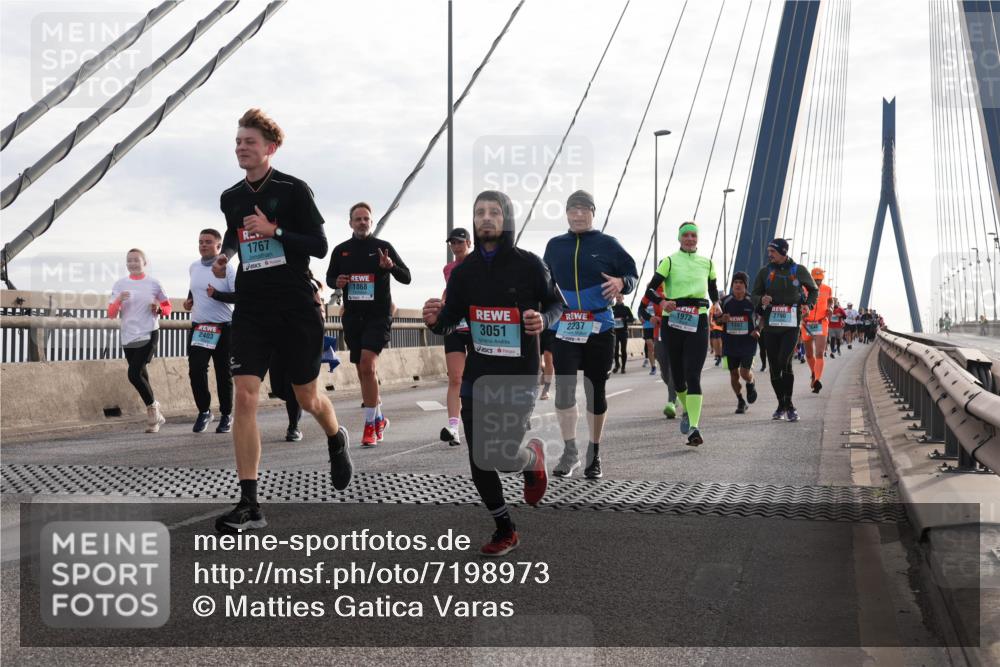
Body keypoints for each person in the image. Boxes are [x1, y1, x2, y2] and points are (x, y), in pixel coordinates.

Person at [213, 108, 350, 533]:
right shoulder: (231, 196)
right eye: (237, 141)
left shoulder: (294, 190)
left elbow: (321, 245)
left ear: (270, 148)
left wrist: (275, 232)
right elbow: (237, 232)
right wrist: (226, 255)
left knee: (306, 397)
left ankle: (335, 436)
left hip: (295, 304)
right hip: (253, 306)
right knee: (246, 396)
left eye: (249, 141)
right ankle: (250, 504)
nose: (241, 147)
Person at [422, 190, 563, 556]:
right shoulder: (464, 273)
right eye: (480, 212)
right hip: (479, 373)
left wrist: (543, 319)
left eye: (494, 212)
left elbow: (556, 303)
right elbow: (451, 320)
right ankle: (505, 528)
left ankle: (531, 458)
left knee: (501, 455)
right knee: (479, 455)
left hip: (518, 374)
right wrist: (436, 322)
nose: (486, 218)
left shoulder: (530, 264)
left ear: (506, 220)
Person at [544, 190, 638, 478]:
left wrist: (623, 282)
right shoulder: (555, 246)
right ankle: (570, 450)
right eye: (573, 209)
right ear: (567, 214)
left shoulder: (608, 244)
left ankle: (594, 453)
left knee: (595, 391)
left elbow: (632, 274)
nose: (578, 214)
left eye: (584, 209)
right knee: (564, 392)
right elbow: (543, 283)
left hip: (600, 327)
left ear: (593, 213)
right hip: (565, 328)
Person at [327, 202, 412, 446]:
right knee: (362, 370)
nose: (362, 222)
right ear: (350, 223)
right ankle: (380, 417)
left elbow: (406, 277)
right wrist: (338, 282)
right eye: (358, 219)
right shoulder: (341, 250)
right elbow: (330, 277)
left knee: (367, 365)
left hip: (378, 315)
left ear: (371, 222)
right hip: (353, 317)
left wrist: (391, 266)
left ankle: (369, 427)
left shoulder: (383, 248)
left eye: (366, 219)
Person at [644, 221, 719, 446]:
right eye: (686, 235)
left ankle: (694, 427)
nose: (690, 239)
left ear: (698, 238)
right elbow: (649, 289)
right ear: (679, 238)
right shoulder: (669, 261)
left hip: (698, 318)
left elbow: (713, 287)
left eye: (693, 236)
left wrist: (717, 303)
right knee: (678, 378)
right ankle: (687, 409)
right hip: (673, 321)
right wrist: (662, 301)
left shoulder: (707, 262)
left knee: (693, 374)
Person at [751, 238, 818, 422]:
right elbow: (754, 294)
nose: (769, 255)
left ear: (783, 252)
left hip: (791, 324)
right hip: (771, 325)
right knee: (775, 366)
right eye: (769, 251)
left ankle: (787, 405)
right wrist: (760, 300)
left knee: (784, 360)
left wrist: (808, 306)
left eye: (772, 251)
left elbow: (814, 290)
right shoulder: (765, 272)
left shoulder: (798, 270)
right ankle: (784, 404)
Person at [108, 248, 171, 433]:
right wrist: (119, 299)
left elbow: (167, 308)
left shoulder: (154, 283)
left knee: (133, 374)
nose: (133, 263)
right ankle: (156, 416)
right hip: (128, 335)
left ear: (145, 263)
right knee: (141, 374)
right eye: (129, 260)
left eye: (136, 260)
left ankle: (152, 409)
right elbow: (111, 314)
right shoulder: (120, 284)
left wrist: (159, 309)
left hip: (149, 332)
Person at [183, 229, 236, 434]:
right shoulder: (193, 267)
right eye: (200, 242)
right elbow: (194, 289)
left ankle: (225, 414)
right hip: (200, 327)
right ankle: (204, 411)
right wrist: (190, 301)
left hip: (223, 327)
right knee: (196, 370)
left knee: (223, 373)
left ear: (218, 246)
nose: (203, 245)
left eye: (208, 242)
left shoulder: (228, 268)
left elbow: (238, 296)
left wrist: (217, 295)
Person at [441, 227, 473, 446]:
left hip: (476, 325)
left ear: (469, 243)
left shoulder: (478, 265)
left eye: (460, 242)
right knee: (455, 379)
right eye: (452, 243)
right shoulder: (448, 268)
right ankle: (454, 428)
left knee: (480, 376)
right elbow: (449, 291)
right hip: (454, 325)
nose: (456, 246)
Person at [716, 272, 759, 414]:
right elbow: (715, 320)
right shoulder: (724, 301)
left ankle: (751, 382)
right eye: (735, 282)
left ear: (745, 286)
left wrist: (758, 329)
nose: (738, 285)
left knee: (744, 372)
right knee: (733, 374)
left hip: (748, 342)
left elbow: (763, 316)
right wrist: (722, 319)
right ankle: (741, 400)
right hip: (730, 343)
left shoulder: (752, 300)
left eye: (741, 282)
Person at [639, 283, 679, 419]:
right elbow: (640, 309)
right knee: (664, 372)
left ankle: (671, 402)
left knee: (674, 369)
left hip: (677, 332)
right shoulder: (652, 290)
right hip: (659, 334)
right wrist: (650, 318)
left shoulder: (678, 287)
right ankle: (678, 392)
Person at [801, 267, 832, 394]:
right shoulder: (803, 289)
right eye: (816, 279)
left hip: (821, 322)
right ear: (811, 277)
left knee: (819, 353)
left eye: (820, 279)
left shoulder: (827, 289)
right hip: (806, 323)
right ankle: (814, 373)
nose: (818, 282)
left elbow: (830, 301)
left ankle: (817, 380)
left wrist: (830, 308)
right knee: (809, 354)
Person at [611, 294, 635, 373]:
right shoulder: (612, 308)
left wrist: (624, 319)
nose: (618, 299)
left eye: (619, 297)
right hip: (615, 332)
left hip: (624, 331)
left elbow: (632, 319)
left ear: (623, 298)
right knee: (615, 349)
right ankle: (617, 364)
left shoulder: (626, 308)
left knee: (623, 350)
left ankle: (623, 367)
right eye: (617, 297)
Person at [640, 300, 657, 374]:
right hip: (647, 326)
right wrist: (640, 317)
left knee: (659, 347)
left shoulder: (658, 298)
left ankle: (663, 365)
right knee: (650, 346)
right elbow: (639, 311)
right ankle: (653, 367)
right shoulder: (644, 300)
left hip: (657, 326)